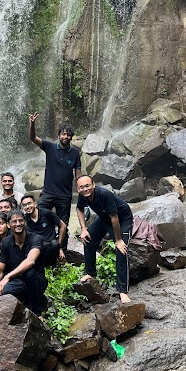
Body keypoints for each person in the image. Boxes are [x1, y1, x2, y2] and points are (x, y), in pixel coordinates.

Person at [76, 175, 133, 303]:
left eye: (87, 186)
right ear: (78, 189)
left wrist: (118, 240)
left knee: (121, 250)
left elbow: (114, 218)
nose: (85, 189)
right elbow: (79, 209)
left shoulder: (103, 194)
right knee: (88, 238)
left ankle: (123, 291)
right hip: (104, 217)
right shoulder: (82, 195)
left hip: (122, 219)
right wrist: (83, 228)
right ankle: (91, 273)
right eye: (82, 187)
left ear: (93, 185)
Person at [28, 113, 82, 245]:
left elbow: (78, 173)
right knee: (37, 216)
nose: (65, 137)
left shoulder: (75, 152)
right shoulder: (50, 147)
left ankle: (61, 251)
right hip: (48, 193)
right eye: (63, 134)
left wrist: (82, 189)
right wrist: (32, 124)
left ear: (71, 137)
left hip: (64, 195)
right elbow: (33, 137)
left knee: (63, 224)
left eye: (68, 135)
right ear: (59, 136)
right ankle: (35, 246)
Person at [0, 209, 44, 314]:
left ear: (25, 222)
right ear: (9, 225)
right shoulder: (6, 242)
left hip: (37, 282)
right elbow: (0, 270)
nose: (18, 224)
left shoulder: (36, 239)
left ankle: (37, 313)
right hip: (18, 283)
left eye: (20, 220)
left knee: (29, 272)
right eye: (14, 221)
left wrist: (7, 277)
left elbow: (30, 261)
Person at [20, 193, 66, 269]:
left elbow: (63, 226)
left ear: (35, 204)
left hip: (52, 245)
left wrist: (60, 247)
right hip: (38, 248)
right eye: (24, 205)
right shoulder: (25, 220)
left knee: (55, 244)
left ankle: (54, 266)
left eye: (29, 203)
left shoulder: (47, 213)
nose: (27, 207)